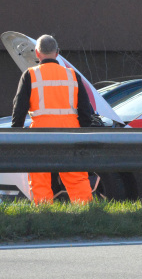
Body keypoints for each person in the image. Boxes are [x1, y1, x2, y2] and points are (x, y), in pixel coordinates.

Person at [12, 34, 94, 204]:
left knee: (39, 178)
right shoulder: (72, 75)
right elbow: (86, 111)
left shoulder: (30, 75)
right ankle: (86, 213)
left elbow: (19, 111)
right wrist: (84, 133)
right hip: (71, 134)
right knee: (77, 178)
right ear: (57, 53)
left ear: (37, 53)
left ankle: (44, 214)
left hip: (40, 135)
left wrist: (16, 135)